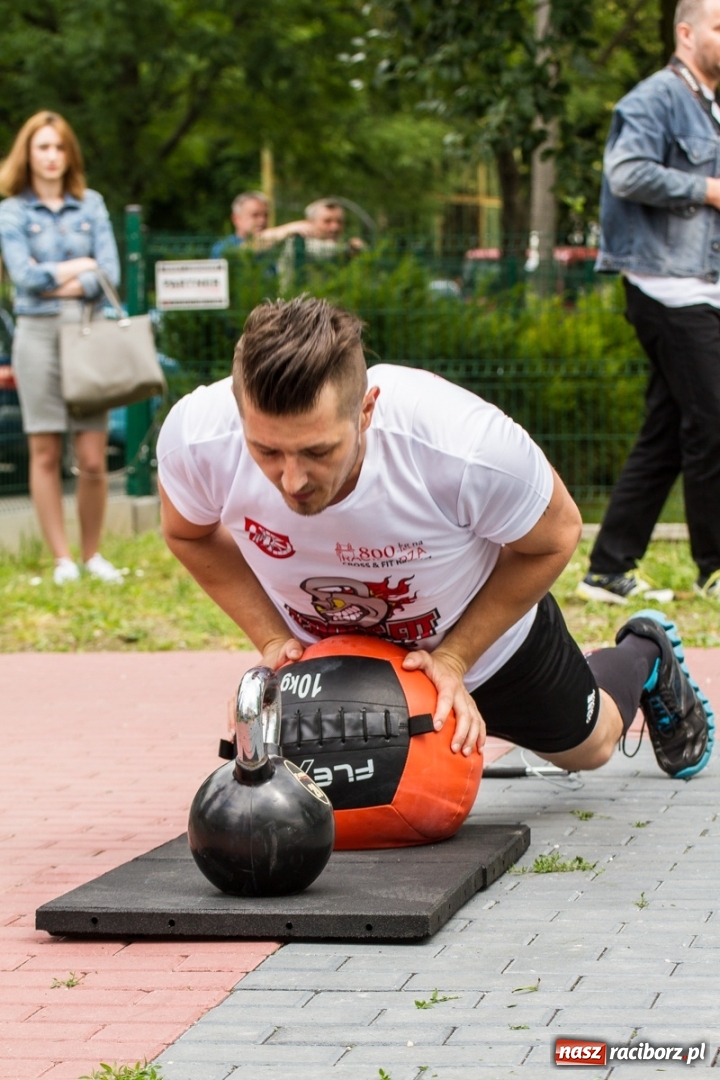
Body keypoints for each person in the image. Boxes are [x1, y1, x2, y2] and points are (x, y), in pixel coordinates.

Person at [157, 295, 714, 785]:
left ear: (366, 411)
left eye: (318, 451)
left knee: (588, 750)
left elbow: (557, 535)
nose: (292, 480)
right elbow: (189, 534)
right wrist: (274, 640)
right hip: (332, 658)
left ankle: (645, 651)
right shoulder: (199, 439)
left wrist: (453, 658)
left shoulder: (461, 447)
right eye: (268, 452)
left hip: (484, 645)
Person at [578, 0, 720, 605]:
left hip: (699, 286)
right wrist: (706, 188)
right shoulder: (654, 98)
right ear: (685, 33)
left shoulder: (708, 107)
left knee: (668, 431)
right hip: (667, 288)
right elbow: (625, 172)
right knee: (714, 422)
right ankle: (715, 568)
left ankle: (607, 567)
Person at [0, 111, 124, 585]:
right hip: (36, 337)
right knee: (45, 450)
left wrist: (57, 276)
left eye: (59, 147)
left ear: (69, 153)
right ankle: (62, 560)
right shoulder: (12, 210)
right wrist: (80, 266)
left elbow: (108, 276)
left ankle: (93, 554)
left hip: (87, 334)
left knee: (92, 456)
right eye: (42, 148)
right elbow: (24, 281)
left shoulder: (91, 204)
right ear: (27, 154)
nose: (51, 157)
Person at [210, 192, 269, 258]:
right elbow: (238, 255)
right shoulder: (223, 248)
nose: (262, 220)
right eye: (254, 215)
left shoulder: (273, 248)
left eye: (266, 215)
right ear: (236, 219)